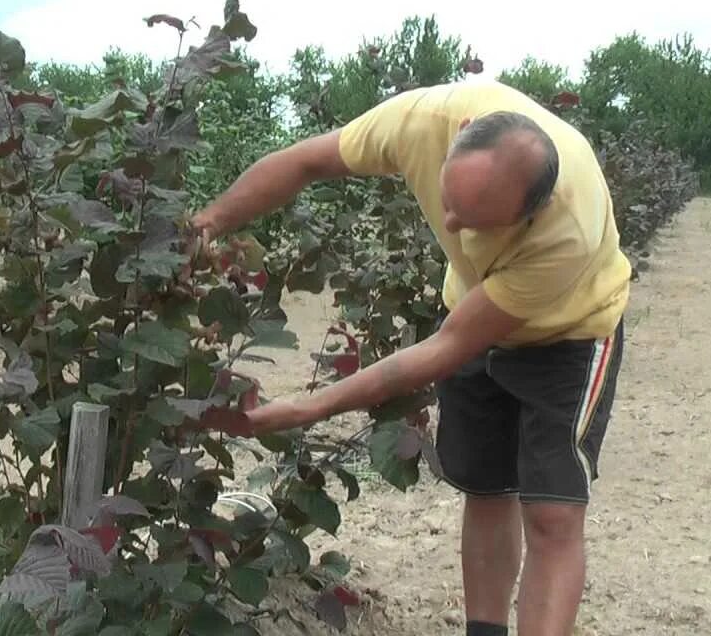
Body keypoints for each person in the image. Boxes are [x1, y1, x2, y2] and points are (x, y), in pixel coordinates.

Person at [192, 80, 630, 636]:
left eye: (478, 221)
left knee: (551, 514)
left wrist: (307, 410)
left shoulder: (567, 231)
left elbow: (447, 347)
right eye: (450, 202)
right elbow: (303, 162)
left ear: (531, 213)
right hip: (475, 303)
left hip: (569, 333)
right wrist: (209, 223)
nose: (450, 227)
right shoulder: (425, 120)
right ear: (459, 140)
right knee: (487, 487)